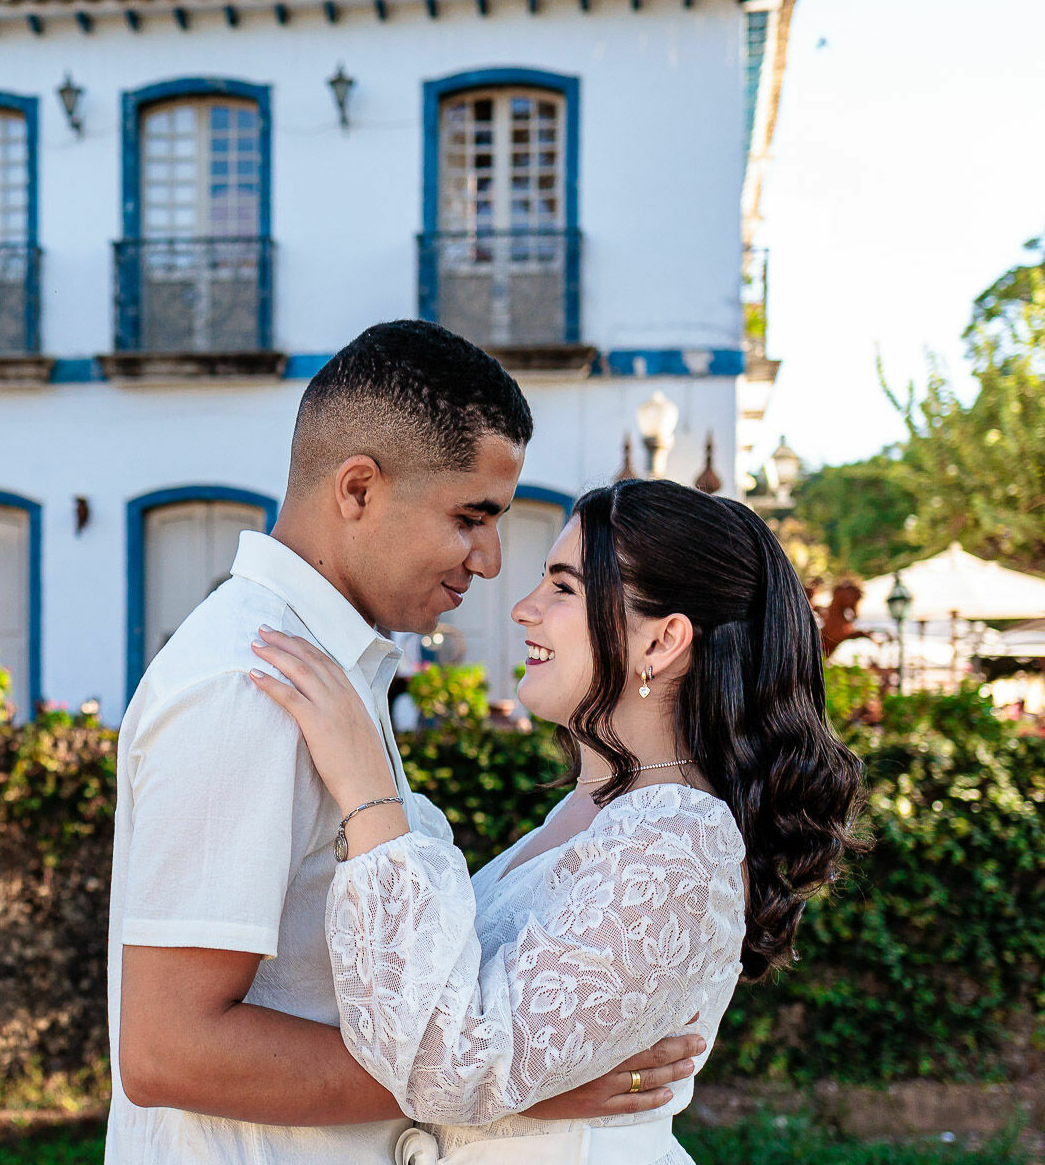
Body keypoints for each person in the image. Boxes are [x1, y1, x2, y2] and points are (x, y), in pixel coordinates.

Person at [108, 322, 705, 1164]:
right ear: (358, 490)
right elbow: (170, 1048)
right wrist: (517, 1084)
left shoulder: (322, 669)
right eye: (471, 517)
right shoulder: (246, 682)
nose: (492, 562)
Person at [247, 477, 865, 1164]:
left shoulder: (678, 840)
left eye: (563, 588)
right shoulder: (603, 809)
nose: (522, 609)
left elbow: (452, 1066)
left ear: (662, 642)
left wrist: (367, 793)